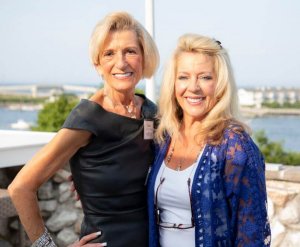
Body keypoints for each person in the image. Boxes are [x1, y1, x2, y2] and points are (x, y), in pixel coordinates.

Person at [8, 11, 159, 247]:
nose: (121, 63)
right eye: (109, 53)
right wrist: (47, 246)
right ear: (97, 64)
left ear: (144, 57)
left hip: (152, 239)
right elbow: (20, 187)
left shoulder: (150, 111)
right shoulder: (89, 116)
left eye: (130, 51)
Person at [147, 34, 271, 246]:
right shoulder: (163, 138)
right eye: (184, 77)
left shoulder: (235, 146)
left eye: (205, 77)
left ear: (220, 84)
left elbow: (252, 233)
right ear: (173, 83)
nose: (193, 87)